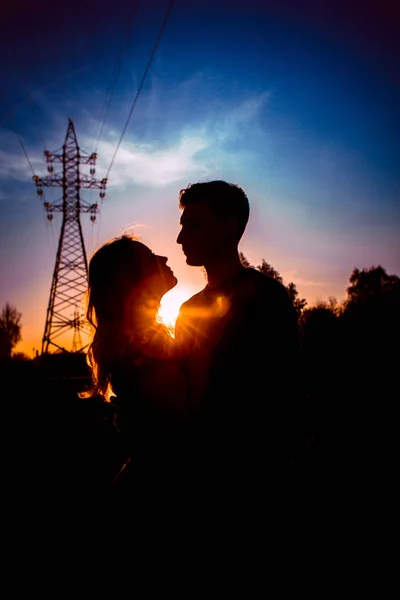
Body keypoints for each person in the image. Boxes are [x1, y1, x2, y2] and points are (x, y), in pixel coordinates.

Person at [175, 180, 303, 497]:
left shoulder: (267, 298)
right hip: (201, 477)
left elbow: (287, 389)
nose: (179, 238)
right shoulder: (187, 311)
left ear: (228, 228)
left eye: (192, 226)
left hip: (259, 478)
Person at [80, 234, 188, 496]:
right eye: (151, 258)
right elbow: (179, 418)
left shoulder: (139, 336)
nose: (163, 258)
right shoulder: (138, 342)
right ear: (132, 280)